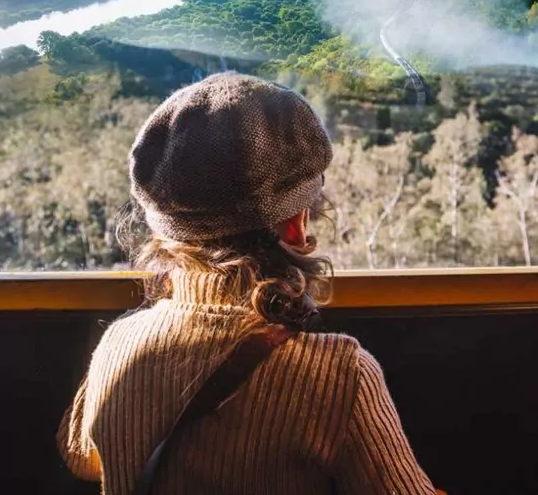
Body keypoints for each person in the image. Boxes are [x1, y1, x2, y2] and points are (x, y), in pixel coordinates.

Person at [56, 73, 437, 494]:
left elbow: (81, 457)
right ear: (295, 226)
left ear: (165, 232)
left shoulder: (118, 343)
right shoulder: (340, 374)